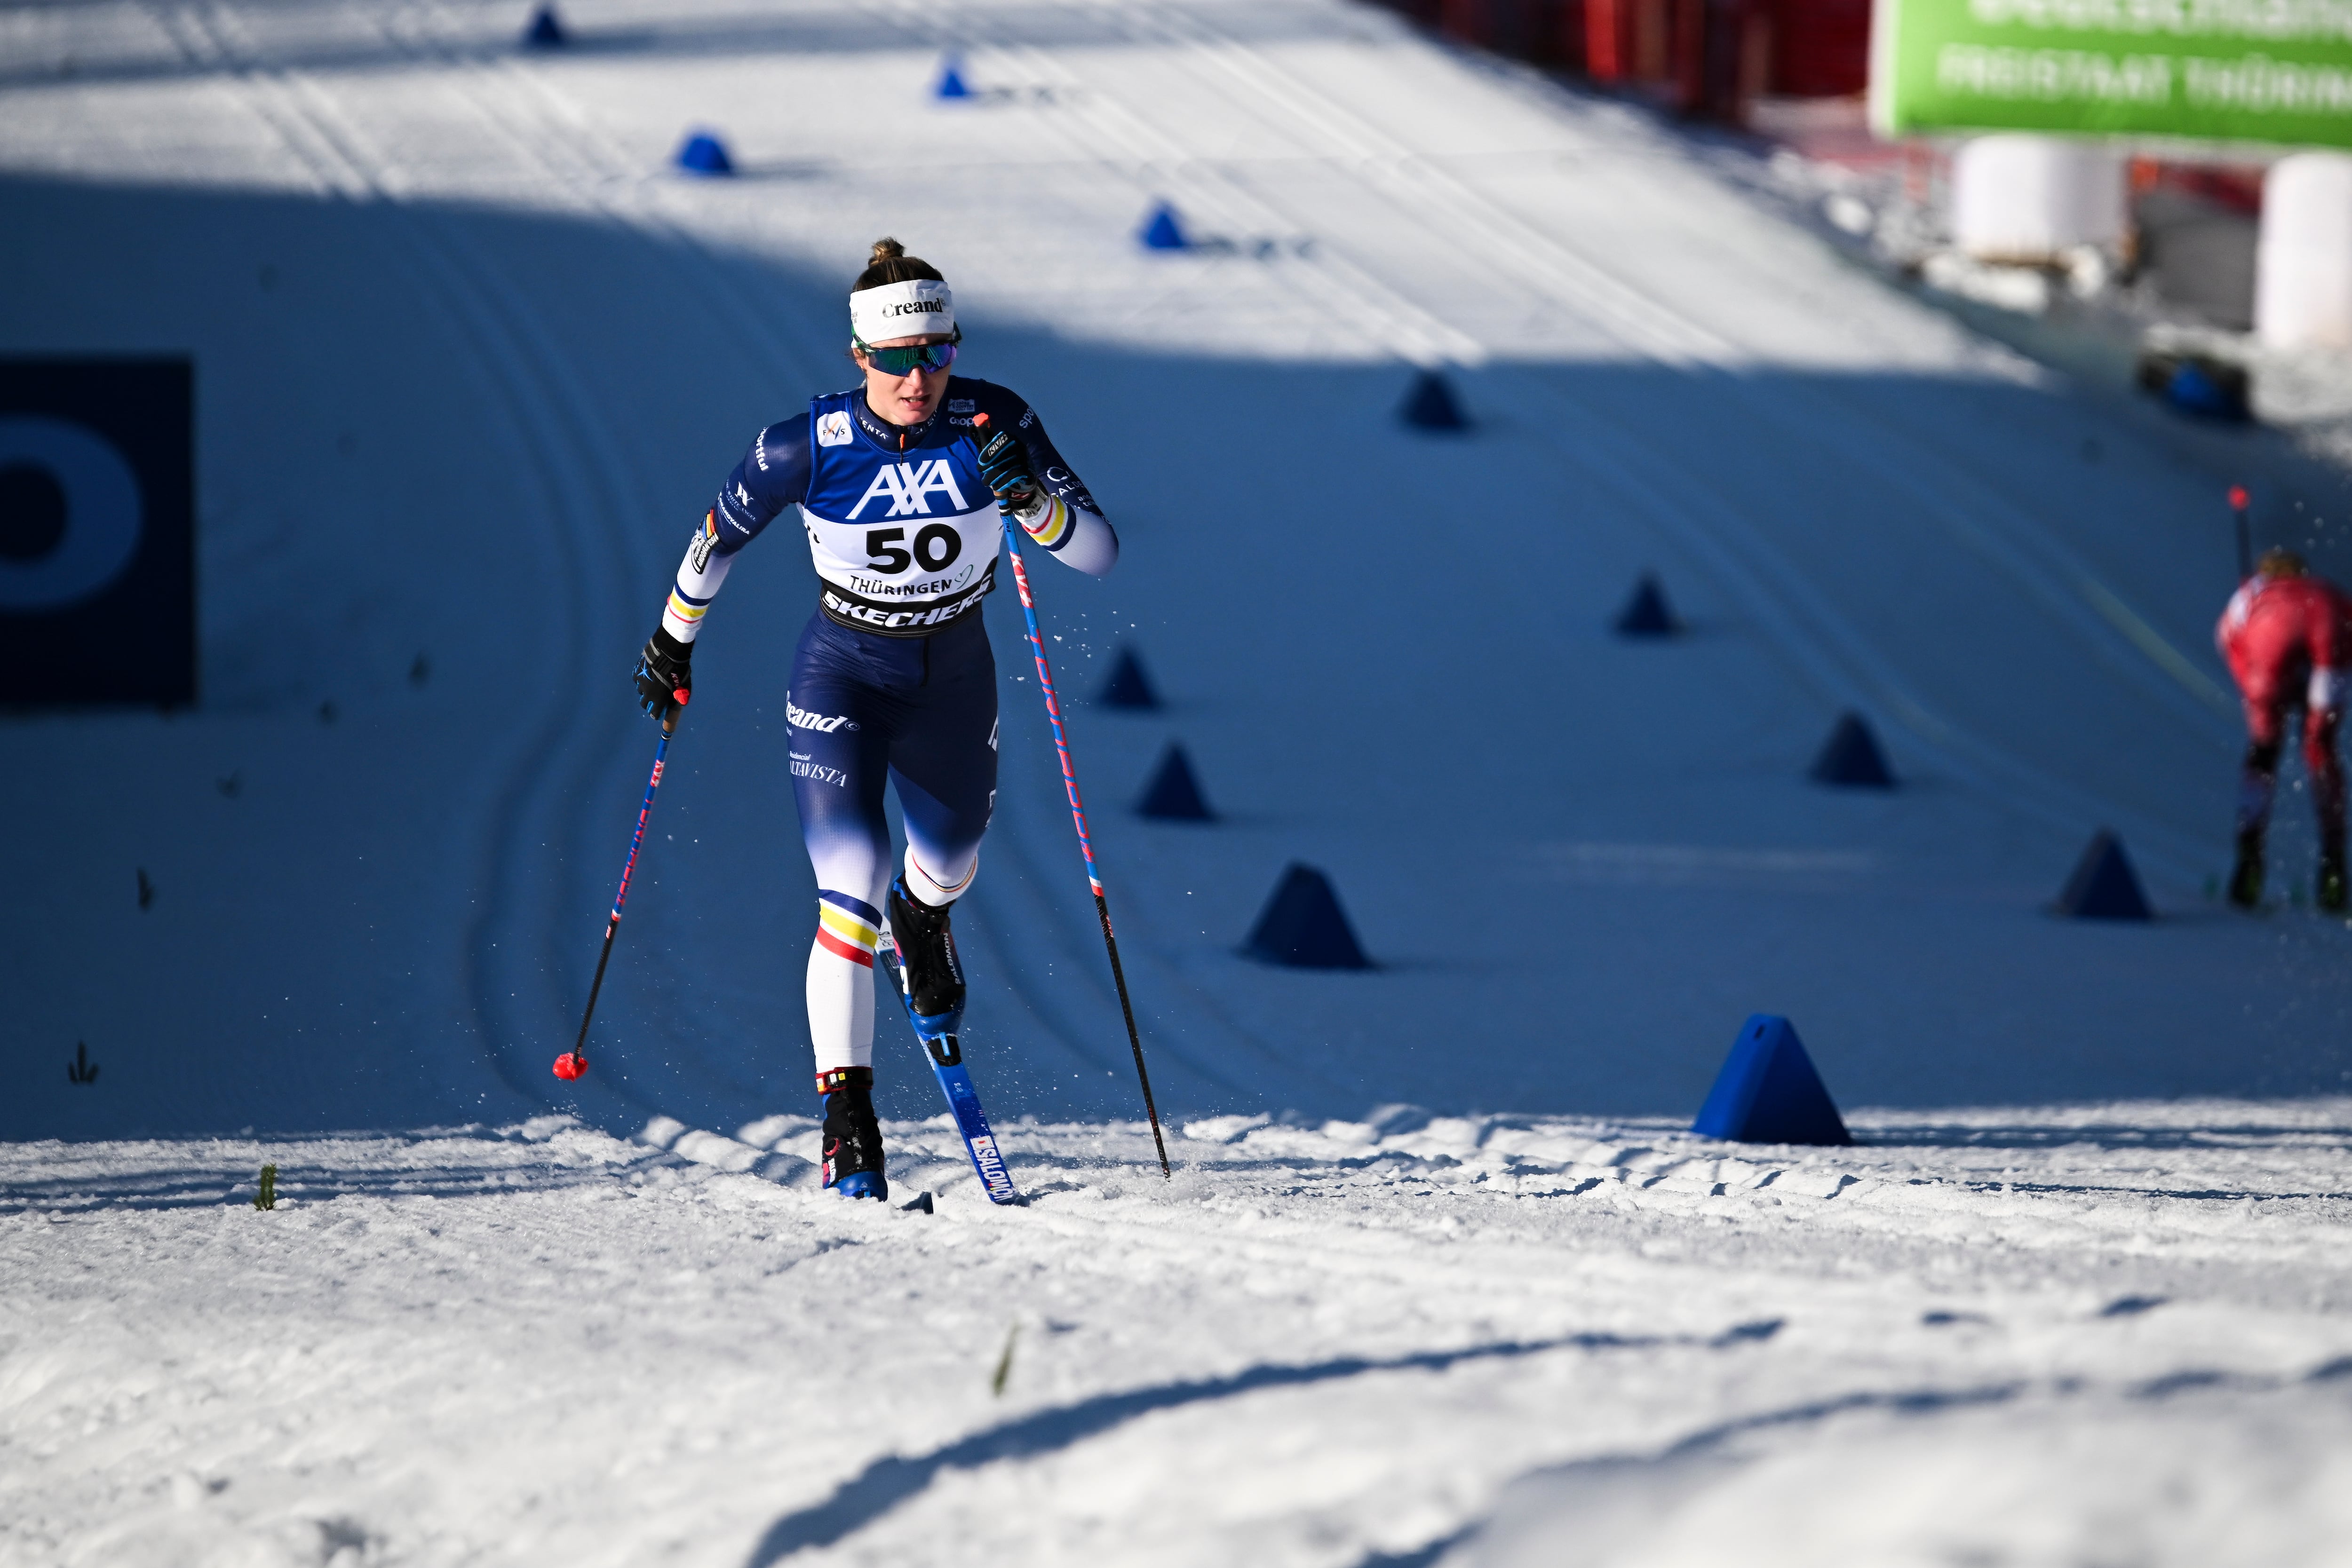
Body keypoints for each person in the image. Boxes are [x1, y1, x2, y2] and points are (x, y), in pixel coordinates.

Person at [631, 239, 1118, 1197]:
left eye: (935, 351)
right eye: (894, 359)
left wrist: (1025, 497)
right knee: (847, 884)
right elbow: (716, 537)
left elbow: (1098, 554)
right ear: (859, 358)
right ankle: (847, 1115)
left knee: (948, 858)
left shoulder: (995, 420)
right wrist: (672, 640)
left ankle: (924, 915)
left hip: (953, 674)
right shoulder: (803, 445)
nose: (917, 376)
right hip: (842, 674)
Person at [2216, 547, 2351, 911]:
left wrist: (2253, 691)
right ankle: (2335, 869)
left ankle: (2249, 863)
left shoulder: (2252, 594)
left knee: (2263, 755)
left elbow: (2227, 638)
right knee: (2321, 752)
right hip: (2329, 631)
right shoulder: (2325, 590)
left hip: (2267, 654)